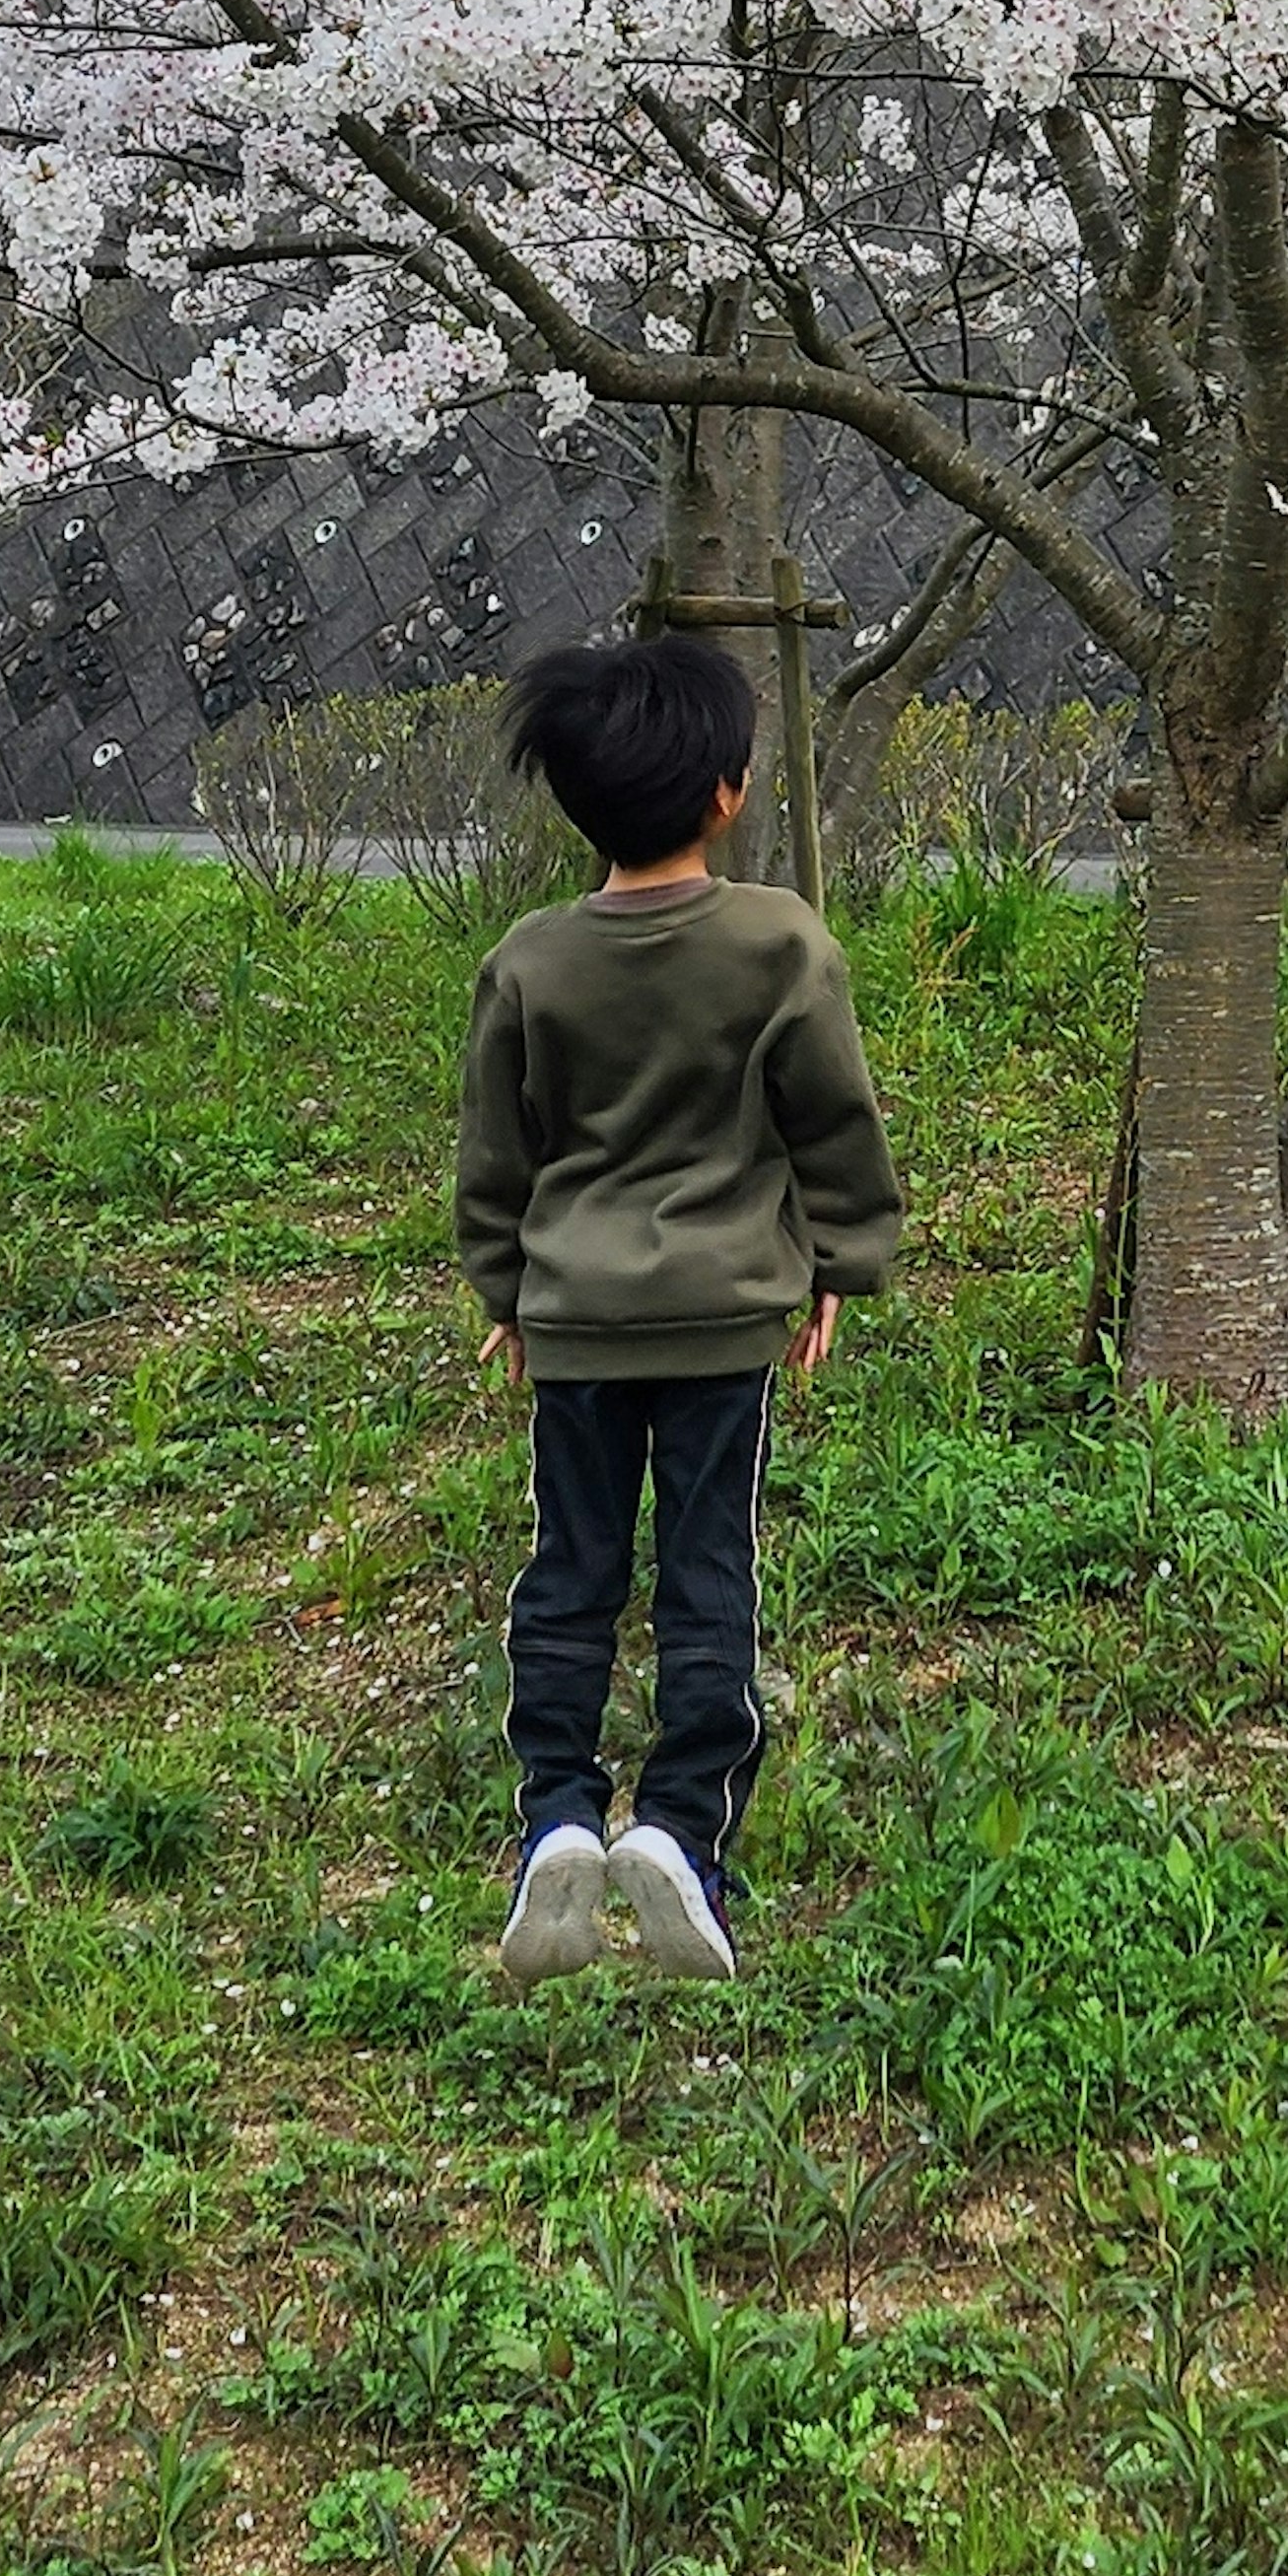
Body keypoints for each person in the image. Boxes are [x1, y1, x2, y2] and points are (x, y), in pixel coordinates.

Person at [457, 631, 906, 1991]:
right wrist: (839, 1260)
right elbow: (832, 1124)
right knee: (709, 1573)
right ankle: (680, 1834)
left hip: (577, 1318)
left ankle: (555, 1821)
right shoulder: (779, 944)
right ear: (727, 791)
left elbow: (498, 1152)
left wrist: (507, 1287)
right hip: (724, 1321)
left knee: (571, 1570)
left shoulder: (530, 962)